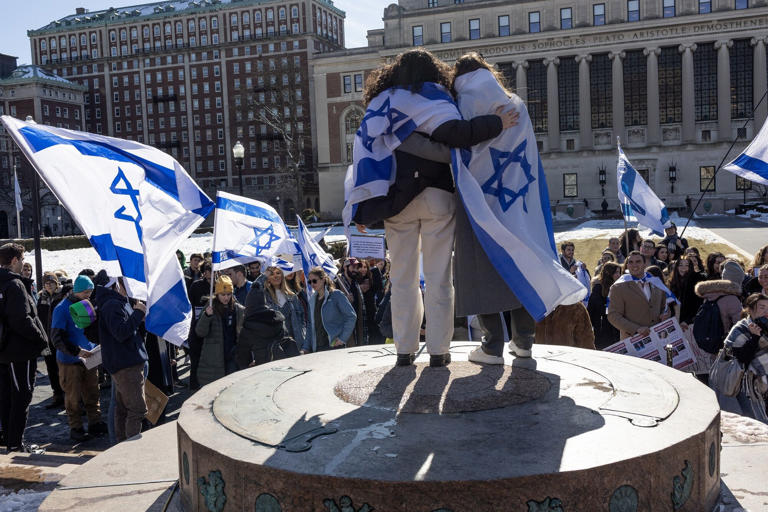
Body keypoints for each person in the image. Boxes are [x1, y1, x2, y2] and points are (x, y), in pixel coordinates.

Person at [352, 48, 519, 367]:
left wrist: (363, 207)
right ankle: (439, 350)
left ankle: (404, 349)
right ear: (434, 72)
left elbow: (364, 157)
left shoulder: (381, 105)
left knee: (401, 278)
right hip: (438, 197)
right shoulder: (436, 97)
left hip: (394, 202)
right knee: (440, 277)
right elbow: (457, 135)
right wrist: (497, 122)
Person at [447, 53, 537, 364]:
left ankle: (492, 344)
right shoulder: (516, 104)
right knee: (520, 263)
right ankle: (524, 340)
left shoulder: (457, 105)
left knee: (478, 267)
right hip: (516, 198)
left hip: (476, 199)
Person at [0, 243, 48, 454]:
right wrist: (40, 340)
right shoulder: (14, 284)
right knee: (21, 396)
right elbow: (21, 319)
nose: (23, 263)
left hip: (5, 350)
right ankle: (15, 444)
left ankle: (10, 442)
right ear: (14, 261)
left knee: (7, 396)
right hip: (18, 351)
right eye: (22, 259)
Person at [92, 276, 148, 443]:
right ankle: (130, 448)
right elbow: (121, 332)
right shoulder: (112, 305)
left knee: (123, 409)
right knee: (137, 409)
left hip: (125, 362)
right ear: (117, 286)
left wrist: (138, 317)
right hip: (126, 364)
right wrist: (138, 313)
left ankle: (122, 445)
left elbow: (126, 330)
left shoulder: (116, 302)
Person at [50, 275, 106, 441]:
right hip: (70, 361)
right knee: (73, 397)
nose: (89, 295)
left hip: (90, 358)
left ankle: (95, 424)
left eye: (90, 292)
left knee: (92, 393)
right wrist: (76, 351)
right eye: (86, 292)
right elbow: (56, 338)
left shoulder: (87, 304)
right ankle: (76, 428)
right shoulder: (61, 308)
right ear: (77, 291)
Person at [691, 263, 743, 382]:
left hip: (711, 341)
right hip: (726, 344)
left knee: (715, 374)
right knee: (727, 380)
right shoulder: (732, 299)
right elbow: (738, 325)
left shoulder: (710, 295)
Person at [723, 293, 768, 424]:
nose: (766, 311)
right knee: (755, 422)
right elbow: (742, 358)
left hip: (763, 382)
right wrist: (755, 337)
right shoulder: (740, 328)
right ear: (750, 309)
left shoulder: (765, 326)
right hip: (748, 385)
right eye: (762, 307)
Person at [607, 251, 671, 340]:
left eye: (638, 261)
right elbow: (613, 316)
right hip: (634, 340)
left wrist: (666, 314)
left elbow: (664, 306)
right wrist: (636, 329)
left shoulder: (655, 282)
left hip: (658, 337)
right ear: (627, 265)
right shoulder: (618, 287)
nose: (634, 265)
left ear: (645, 264)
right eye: (630, 262)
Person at [195, 275, 245, 386]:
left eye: (228, 294)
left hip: (232, 355)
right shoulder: (210, 308)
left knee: (232, 387)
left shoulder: (238, 309)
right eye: (223, 294)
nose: (226, 298)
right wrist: (207, 316)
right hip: (214, 358)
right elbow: (200, 332)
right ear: (217, 294)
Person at [302, 267, 357, 354]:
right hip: (317, 348)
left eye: (314, 281)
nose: (312, 284)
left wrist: (343, 338)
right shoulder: (312, 300)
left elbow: (351, 316)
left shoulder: (336, 295)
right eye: (309, 282)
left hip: (334, 346)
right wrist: (305, 347)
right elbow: (310, 325)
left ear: (323, 279)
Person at [236, 281, 287, 368]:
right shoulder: (277, 320)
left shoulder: (248, 327)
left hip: (260, 369)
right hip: (282, 364)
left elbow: (242, 358)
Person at [36, 272, 67, 409]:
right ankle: (57, 394)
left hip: (60, 337)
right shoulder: (41, 297)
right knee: (51, 368)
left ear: (57, 283)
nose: (49, 285)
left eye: (51, 282)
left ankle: (69, 397)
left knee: (64, 368)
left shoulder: (62, 296)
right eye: (46, 283)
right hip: (46, 338)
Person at [264, 266, 306, 349]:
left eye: (278, 273)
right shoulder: (264, 297)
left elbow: (302, 320)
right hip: (277, 345)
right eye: (272, 274)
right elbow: (254, 286)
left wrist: (304, 338)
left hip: (297, 343)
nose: (276, 276)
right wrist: (264, 275)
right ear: (267, 278)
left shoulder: (292, 296)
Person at [587, 262, 622, 349]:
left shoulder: (620, 287)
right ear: (609, 273)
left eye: (619, 272)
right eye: (616, 272)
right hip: (603, 328)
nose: (618, 275)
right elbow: (594, 308)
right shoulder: (598, 288)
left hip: (617, 326)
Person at [667, 258, 705, 328]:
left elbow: (698, 305)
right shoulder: (672, 283)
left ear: (690, 267)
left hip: (690, 323)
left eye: (687, 265)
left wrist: (688, 321)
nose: (683, 268)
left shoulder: (696, 282)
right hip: (675, 321)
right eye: (680, 265)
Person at [335, 258, 365, 346]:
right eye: (353, 267)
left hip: (357, 325)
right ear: (345, 267)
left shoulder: (355, 283)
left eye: (357, 267)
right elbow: (332, 305)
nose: (355, 270)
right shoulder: (337, 282)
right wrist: (344, 301)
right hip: (344, 327)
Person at [357, 259, 385, 345]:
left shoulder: (371, 278)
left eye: (365, 267)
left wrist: (376, 267)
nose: (363, 269)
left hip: (371, 312)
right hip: (360, 314)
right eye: (360, 267)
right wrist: (359, 288)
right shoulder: (355, 281)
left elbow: (379, 286)